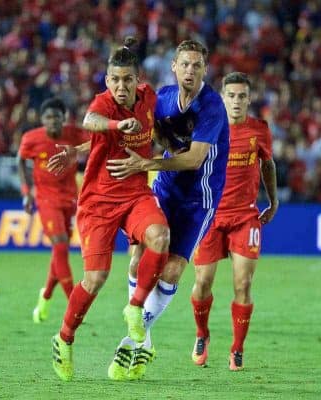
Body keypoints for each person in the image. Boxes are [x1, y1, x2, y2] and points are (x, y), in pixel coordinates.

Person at [104, 40, 230, 380]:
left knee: (172, 270)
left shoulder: (212, 107)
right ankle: (142, 338)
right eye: (185, 64)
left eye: (197, 66)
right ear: (173, 66)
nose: (190, 71)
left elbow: (193, 158)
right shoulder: (161, 98)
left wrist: (148, 161)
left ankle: (134, 337)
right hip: (163, 188)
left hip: (199, 198)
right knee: (139, 256)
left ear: (205, 70)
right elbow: (136, 104)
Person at [49, 38, 171, 382]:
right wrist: (117, 126)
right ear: (106, 81)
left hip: (135, 194)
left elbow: (109, 136)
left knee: (160, 237)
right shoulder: (103, 104)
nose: (121, 86)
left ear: (138, 80)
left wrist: (78, 149)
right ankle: (64, 338)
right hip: (98, 202)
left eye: (127, 79)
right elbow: (92, 121)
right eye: (115, 80)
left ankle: (135, 307)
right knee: (96, 277)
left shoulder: (149, 98)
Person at [191, 72, 278, 370]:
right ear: (222, 98)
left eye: (242, 96)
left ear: (249, 99)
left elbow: (268, 164)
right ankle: (202, 334)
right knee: (202, 283)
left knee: (243, 283)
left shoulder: (259, 130)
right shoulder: (207, 128)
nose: (237, 101)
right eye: (232, 95)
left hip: (245, 217)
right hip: (210, 217)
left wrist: (274, 200)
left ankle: (237, 348)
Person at [16, 97, 89, 324]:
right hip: (45, 199)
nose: (53, 122)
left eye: (57, 117)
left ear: (63, 118)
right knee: (60, 245)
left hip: (69, 199)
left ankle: (45, 297)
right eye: (48, 117)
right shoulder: (32, 138)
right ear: (42, 120)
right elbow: (20, 160)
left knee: (59, 252)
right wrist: (26, 191)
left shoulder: (75, 134)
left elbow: (97, 141)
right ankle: (73, 304)